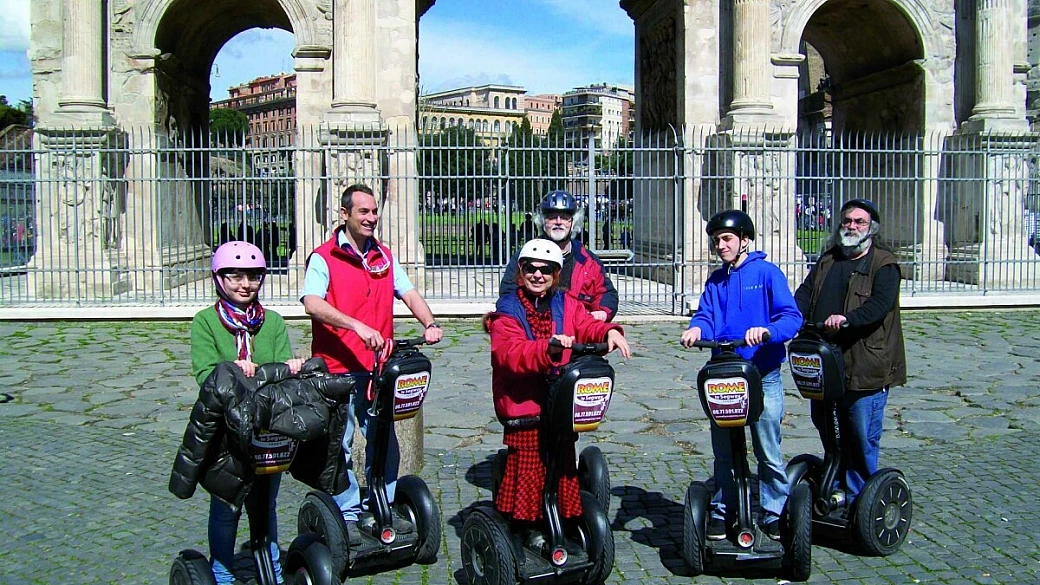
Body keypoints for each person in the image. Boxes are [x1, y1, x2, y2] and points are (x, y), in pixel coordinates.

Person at [301, 183, 443, 546]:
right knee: (341, 444)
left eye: (374, 211)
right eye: (363, 211)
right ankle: (347, 512)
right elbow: (312, 302)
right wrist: (356, 325)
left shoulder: (383, 257)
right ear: (344, 214)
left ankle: (384, 503)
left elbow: (409, 292)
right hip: (338, 369)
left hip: (378, 369)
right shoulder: (324, 257)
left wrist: (429, 323)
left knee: (384, 439)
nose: (371, 218)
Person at [485, 239, 631, 536]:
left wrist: (609, 332)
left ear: (556, 274)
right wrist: (547, 348)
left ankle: (564, 522)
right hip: (524, 404)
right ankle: (528, 529)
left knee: (562, 465)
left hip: (558, 402)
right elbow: (509, 353)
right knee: (529, 471)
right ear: (521, 271)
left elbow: (586, 324)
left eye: (546, 270)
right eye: (531, 269)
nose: (538, 275)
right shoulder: (507, 310)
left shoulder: (566, 303)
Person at [680, 210, 802, 542]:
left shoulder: (766, 273)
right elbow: (706, 315)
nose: (720, 245)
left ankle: (774, 510)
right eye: (716, 240)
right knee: (724, 449)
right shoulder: (716, 281)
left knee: (767, 447)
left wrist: (768, 331)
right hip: (725, 375)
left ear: (744, 240)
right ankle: (724, 508)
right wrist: (696, 329)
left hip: (761, 373)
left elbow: (791, 317)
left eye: (727, 239)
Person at [190, 240, 306, 585]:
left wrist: (290, 367)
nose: (245, 285)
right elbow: (204, 373)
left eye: (253, 277)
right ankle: (222, 570)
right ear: (219, 279)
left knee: (265, 502)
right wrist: (231, 370)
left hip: (266, 427)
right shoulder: (206, 322)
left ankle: (270, 567)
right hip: (225, 430)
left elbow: (281, 368)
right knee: (227, 504)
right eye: (236, 276)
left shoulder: (272, 322)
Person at [793, 198, 906, 504]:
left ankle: (860, 500)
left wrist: (847, 320)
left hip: (864, 364)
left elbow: (879, 306)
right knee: (826, 425)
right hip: (824, 360)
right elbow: (805, 293)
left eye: (859, 222)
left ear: (872, 228)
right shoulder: (829, 259)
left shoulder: (884, 264)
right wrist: (792, 315)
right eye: (847, 221)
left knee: (859, 434)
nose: (852, 226)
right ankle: (834, 483)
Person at [500, 190, 619, 322]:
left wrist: (602, 311)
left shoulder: (588, 260)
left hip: (578, 326)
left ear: (573, 222)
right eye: (551, 217)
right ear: (543, 221)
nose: (558, 222)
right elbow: (508, 293)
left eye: (564, 217)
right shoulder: (525, 256)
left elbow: (606, 293)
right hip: (537, 326)